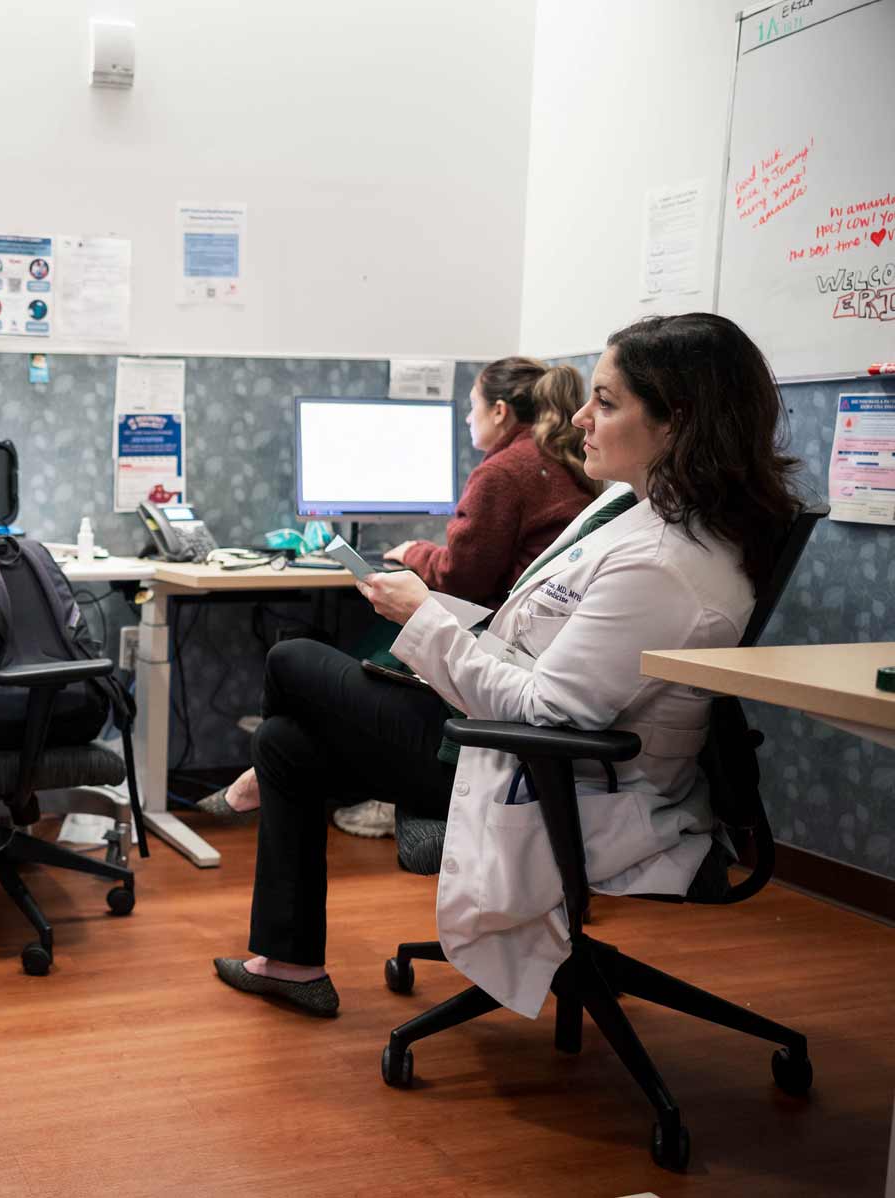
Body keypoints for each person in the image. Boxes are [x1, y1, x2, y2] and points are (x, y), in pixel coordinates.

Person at [213, 312, 803, 1017]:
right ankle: (286, 960)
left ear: (676, 422)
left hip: (551, 773)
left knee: (291, 662)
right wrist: (441, 626)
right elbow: (536, 638)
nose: (581, 415)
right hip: (523, 745)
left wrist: (422, 616)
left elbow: (546, 712)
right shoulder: (632, 515)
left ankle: (258, 819)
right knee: (286, 744)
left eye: (607, 402)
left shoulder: (663, 564)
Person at [198, 357, 599, 837]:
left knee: (373, 643)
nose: (467, 420)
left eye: (471, 408)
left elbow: (461, 577)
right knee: (373, 641)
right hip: (532, 644)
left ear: (498, 412)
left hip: (499, 642)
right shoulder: (562, 461)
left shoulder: (504, 472)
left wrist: (415, 552)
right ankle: (287, 764)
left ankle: (340, 776)